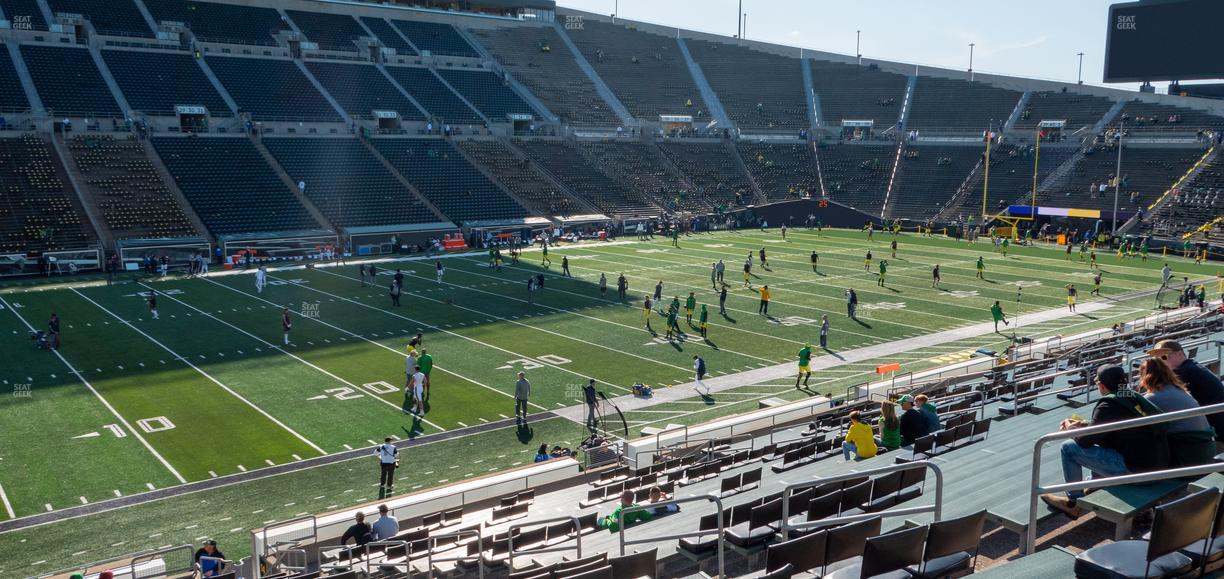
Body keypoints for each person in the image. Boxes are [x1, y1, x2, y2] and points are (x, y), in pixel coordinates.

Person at [1040, 366, 1169, 518]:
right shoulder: (1132, 396)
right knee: (1103, 443)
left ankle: (1073, 503)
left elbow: (1084, 441)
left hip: (1137, 473)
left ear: (1101, 385)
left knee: (1068, 447)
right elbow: (1111, 424)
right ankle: (1094, 485)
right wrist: (1084, 424)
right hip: (1159, 468)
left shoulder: (1108, 405)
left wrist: (1070, 428)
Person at [1137, 358, 1216, 467]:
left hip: (1188, 459)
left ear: (1144, 377)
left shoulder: (1151, 398)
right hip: (1207, 452)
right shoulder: (1182, 392)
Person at [1149, 339, 1224, 447]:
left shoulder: (1184, 372)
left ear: (1179, 354)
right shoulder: (1192, 367)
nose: (1161, 362)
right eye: (1157, 359)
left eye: (1164, 357)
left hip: (1215, 438)